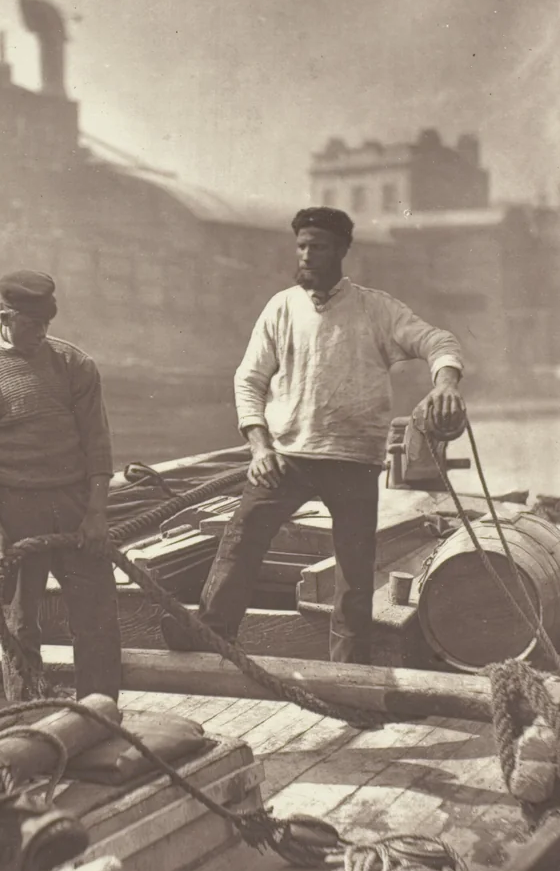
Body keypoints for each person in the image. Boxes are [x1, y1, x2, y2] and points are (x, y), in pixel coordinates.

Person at [160, 207, 466, 664]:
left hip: (354, 462)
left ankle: (348, 672)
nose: (306, 255)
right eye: (301, 246)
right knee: (241, 538)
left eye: (317, 246)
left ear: (342, 250)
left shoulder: (376, 309)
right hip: (286, 457)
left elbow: (439, 341)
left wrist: (444, 384)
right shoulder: (281, 307)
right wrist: (259, 445)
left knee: (355, 572)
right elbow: (249, 380)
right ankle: (212, 632)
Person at [0, 270, 121, 701]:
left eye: (46, 325)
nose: (40, 335)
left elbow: (97, 444)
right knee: (19, 624)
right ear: (6, 316)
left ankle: (100, 713)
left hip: (75, 502)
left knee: (96, 616)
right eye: (31, 325)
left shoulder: (74, 364)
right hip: (15, 510)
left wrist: (96, 513)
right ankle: (27, 720)